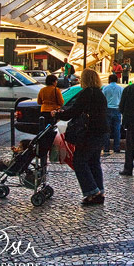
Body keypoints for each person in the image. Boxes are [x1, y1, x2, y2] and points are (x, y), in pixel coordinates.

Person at [53, 68, 108, 205]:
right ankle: (99, 191)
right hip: (102, 131)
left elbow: (75, 111)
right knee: (94, 162)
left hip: (89, 133)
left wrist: (58, 114)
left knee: (80, 161)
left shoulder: (86, 93)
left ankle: (92, 192)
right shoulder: (100, 94)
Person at [102, 73, 123, 154]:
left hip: (107, 109)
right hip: (117, 109)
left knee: (107, 130)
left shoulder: (105, 88)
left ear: (109, 80)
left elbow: (103, 99)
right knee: (117, 129)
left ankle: (106, 147)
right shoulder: (120, 89)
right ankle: (116, 147)